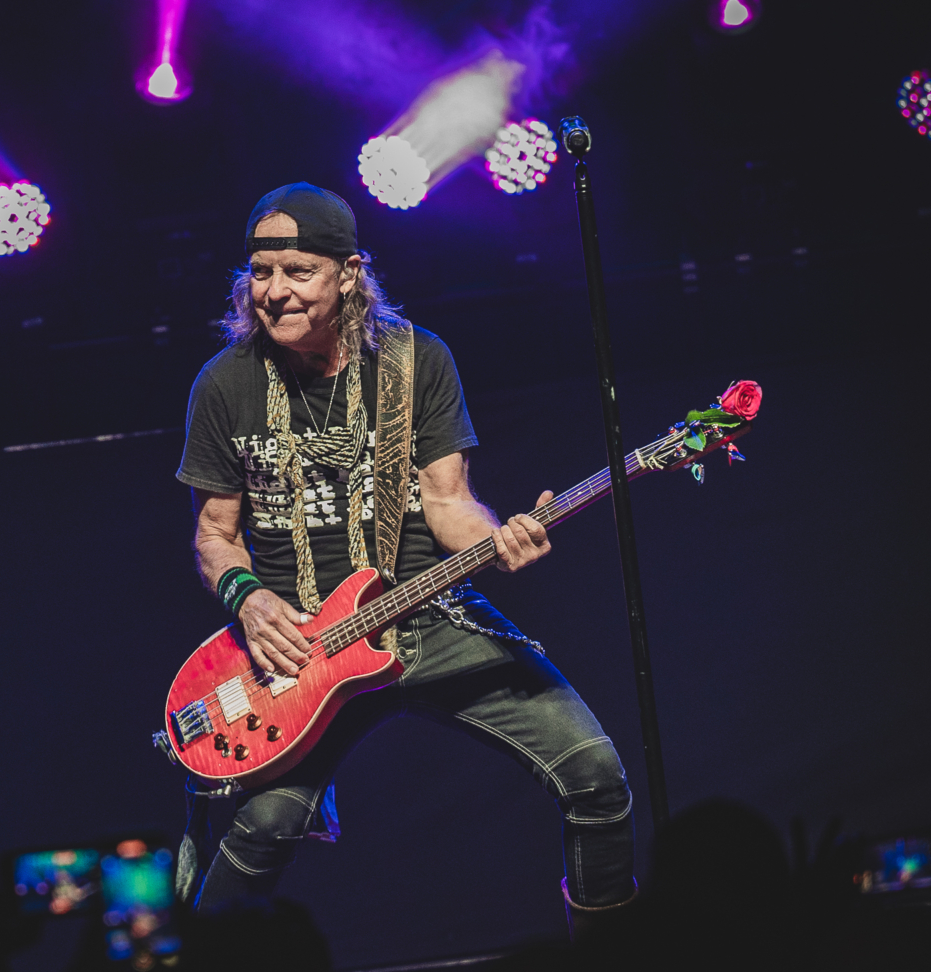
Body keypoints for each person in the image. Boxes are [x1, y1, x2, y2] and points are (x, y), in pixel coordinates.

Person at [173, 182, 636, 934]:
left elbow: (448, 500)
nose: (275, 292)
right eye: (261, 274)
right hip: (301, 654)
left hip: (428, 614)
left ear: (349, 273)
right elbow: (214, 533)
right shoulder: (226, 384)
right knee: (258, 829)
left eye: (298, 272)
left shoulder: (416, 362)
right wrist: (251, 600)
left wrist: (499, 536)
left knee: (594, 775)